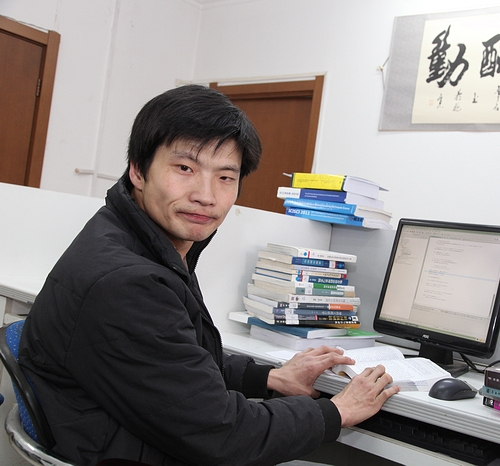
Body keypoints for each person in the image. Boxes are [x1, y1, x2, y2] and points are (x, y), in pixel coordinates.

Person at [18, 85, 400, 466]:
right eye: (185, 168)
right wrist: (337, 411)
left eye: (225, 177)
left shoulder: (138, 240)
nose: (206, 195)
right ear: (138, 170)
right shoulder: (128, 281)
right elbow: (223, 435)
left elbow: (175, 364)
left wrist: (268, 377)